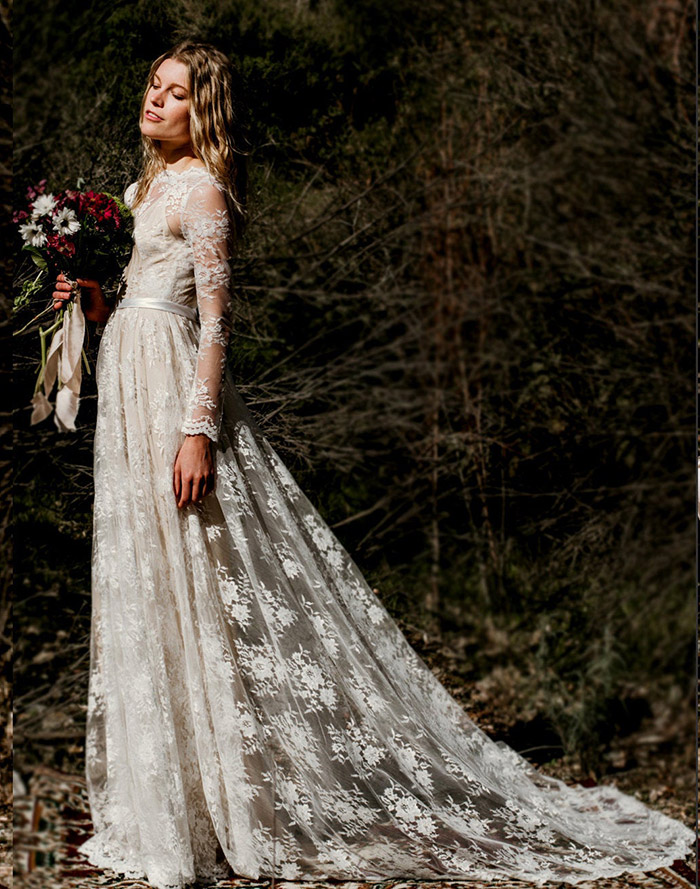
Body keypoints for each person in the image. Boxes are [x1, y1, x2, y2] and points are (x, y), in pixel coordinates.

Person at [51, 41, 694, 889]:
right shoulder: (140, 191)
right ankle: (170, 803)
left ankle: (229, 803)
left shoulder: (203, 190)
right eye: (152, 86)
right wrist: (92, 301)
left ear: (202, 110)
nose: (155, 101)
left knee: (197, 579)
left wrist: (197, 430)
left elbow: (213, 323)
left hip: (173, 395)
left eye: (175, 93)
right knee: (147, 578)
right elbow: (141, 297)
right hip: (127, 388)